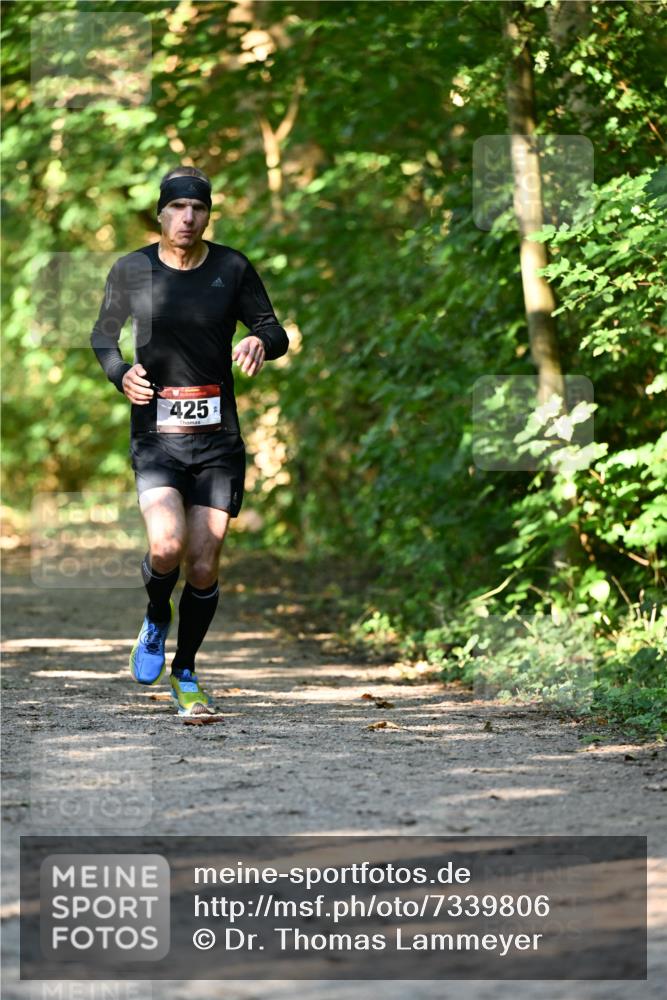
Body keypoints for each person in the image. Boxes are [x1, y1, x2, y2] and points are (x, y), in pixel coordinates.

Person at [90, 166, 288, 719]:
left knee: (203, 565)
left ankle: (186, 672)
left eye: (197, 209)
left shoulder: (231, 267)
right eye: (177, 208)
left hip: (218, 441)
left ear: (207, 214)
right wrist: (119, 372)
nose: (187, 218)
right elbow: (103, 334)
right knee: (166, 548)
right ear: (160, 213)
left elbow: (275, 330)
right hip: (157, 435)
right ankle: (157, 615)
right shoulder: (132, 269)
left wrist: (258, 341)